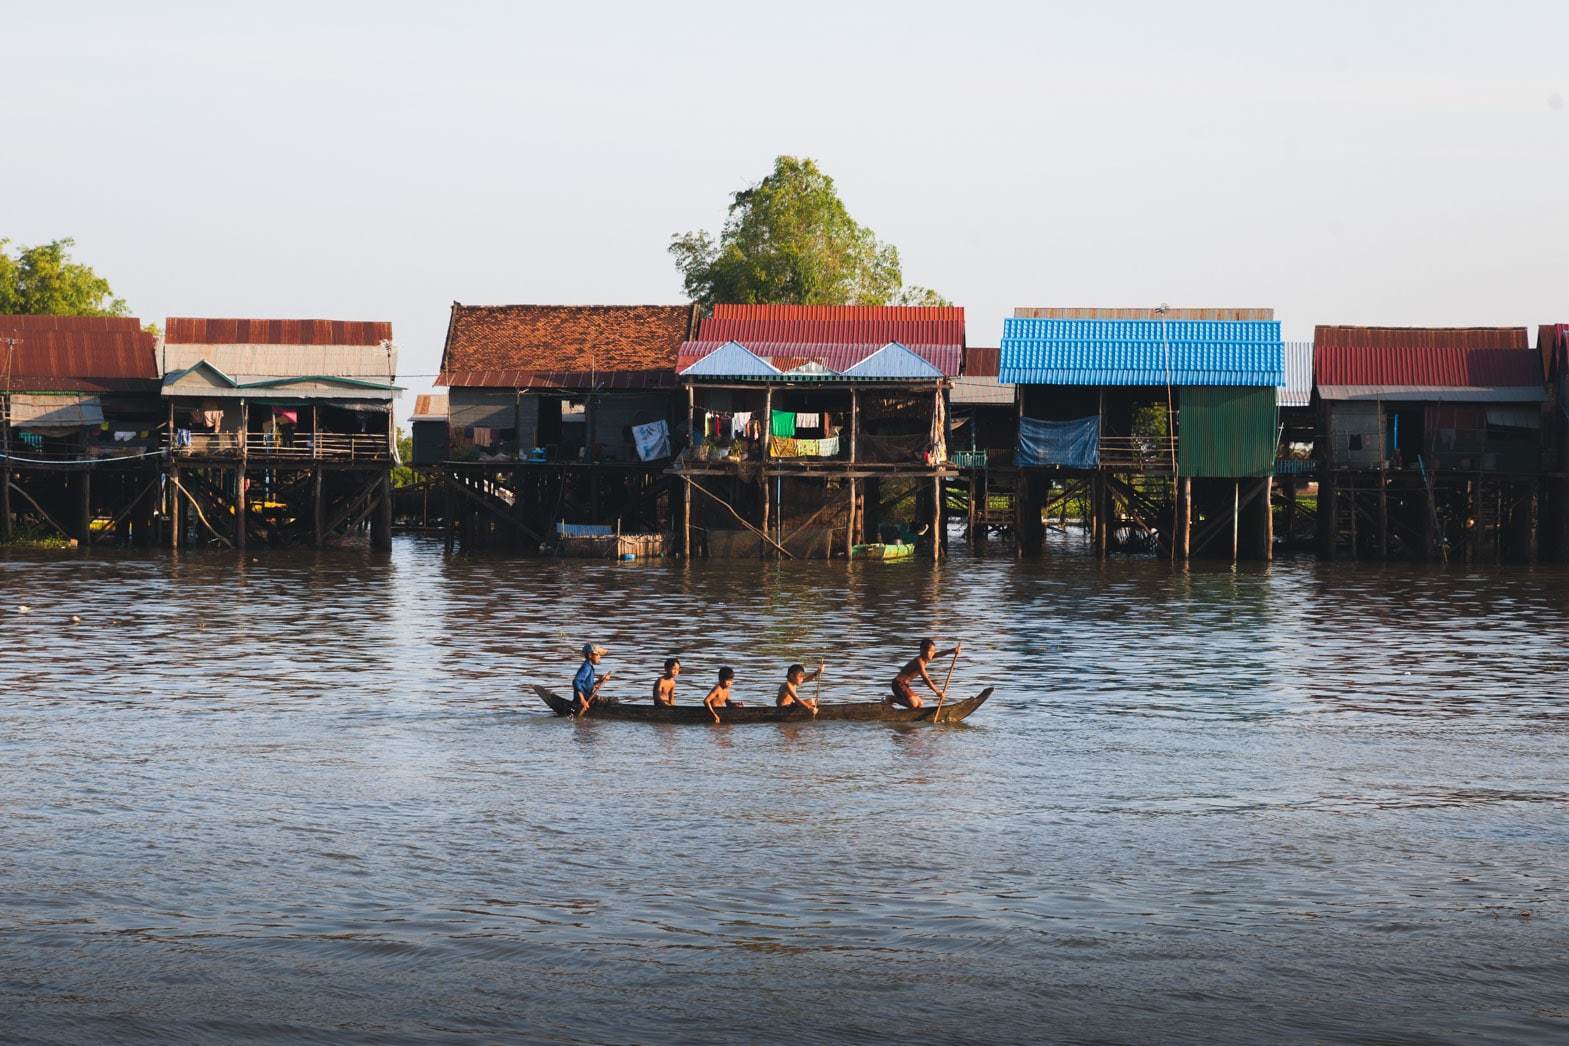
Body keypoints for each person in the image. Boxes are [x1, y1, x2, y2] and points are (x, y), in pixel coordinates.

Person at [888, 638, 961, 709]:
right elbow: (926, 679)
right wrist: (937, 691)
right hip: (898, 684)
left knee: (920, 704)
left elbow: (939, 654)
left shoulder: (926, 657)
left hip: (905, 685)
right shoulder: (919, 662)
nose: (933, 653)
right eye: (931, 651)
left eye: (934, 651)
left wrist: (953, 650)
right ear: (922, 651)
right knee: (913, 704)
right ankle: (891, 699)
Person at [572, 643, 612, 716]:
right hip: (582, 702)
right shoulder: (586, 667)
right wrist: (582, 700)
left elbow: (587, 686)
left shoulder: (589, 667)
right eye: (597, 654)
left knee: (612, 701)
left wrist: (601, 681)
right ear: (590, 655)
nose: (599, 657)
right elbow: (576, 682)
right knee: (612, 702)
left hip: (587, 699)